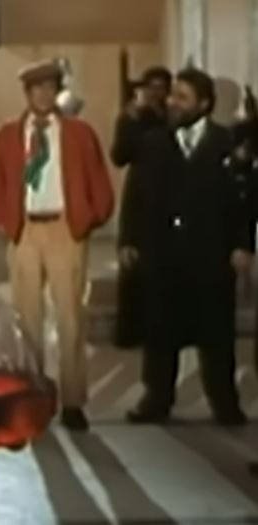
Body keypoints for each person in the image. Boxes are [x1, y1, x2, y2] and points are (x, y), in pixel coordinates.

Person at [0, 60, 114, 431]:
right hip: (25, 229)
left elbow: (99, 180)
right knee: (26, 319)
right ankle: (33, 396)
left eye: (49, 87)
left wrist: (90, 217)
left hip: (65, 228)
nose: (43, 94)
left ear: (58, 92)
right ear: (26, 93)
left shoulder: (78, 134)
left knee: (70, 317)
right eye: (36, 88)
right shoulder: (9, 135)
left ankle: (72, 401)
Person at [120, 69, 252, 426]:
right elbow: (134, 196)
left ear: (204, 104)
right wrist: (129, 240)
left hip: (211, 255)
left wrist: (243, 246)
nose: (171, 102)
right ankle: (157, 398)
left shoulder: (226, 144)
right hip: (162, 254)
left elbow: (243, 203)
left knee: (216, 334)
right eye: (172, 95)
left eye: (182, 97)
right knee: (160, 331)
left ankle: (224, 401)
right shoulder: (152, 143)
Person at [113, 66, 172, 348]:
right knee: (134, 262)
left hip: (171, 192)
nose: (157, 93)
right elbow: (120, 156)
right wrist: (133, 118)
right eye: (153, 87)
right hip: (141, 190)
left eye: (163, 87)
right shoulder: (133, 117)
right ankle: (130, 332)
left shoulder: (174, 116)